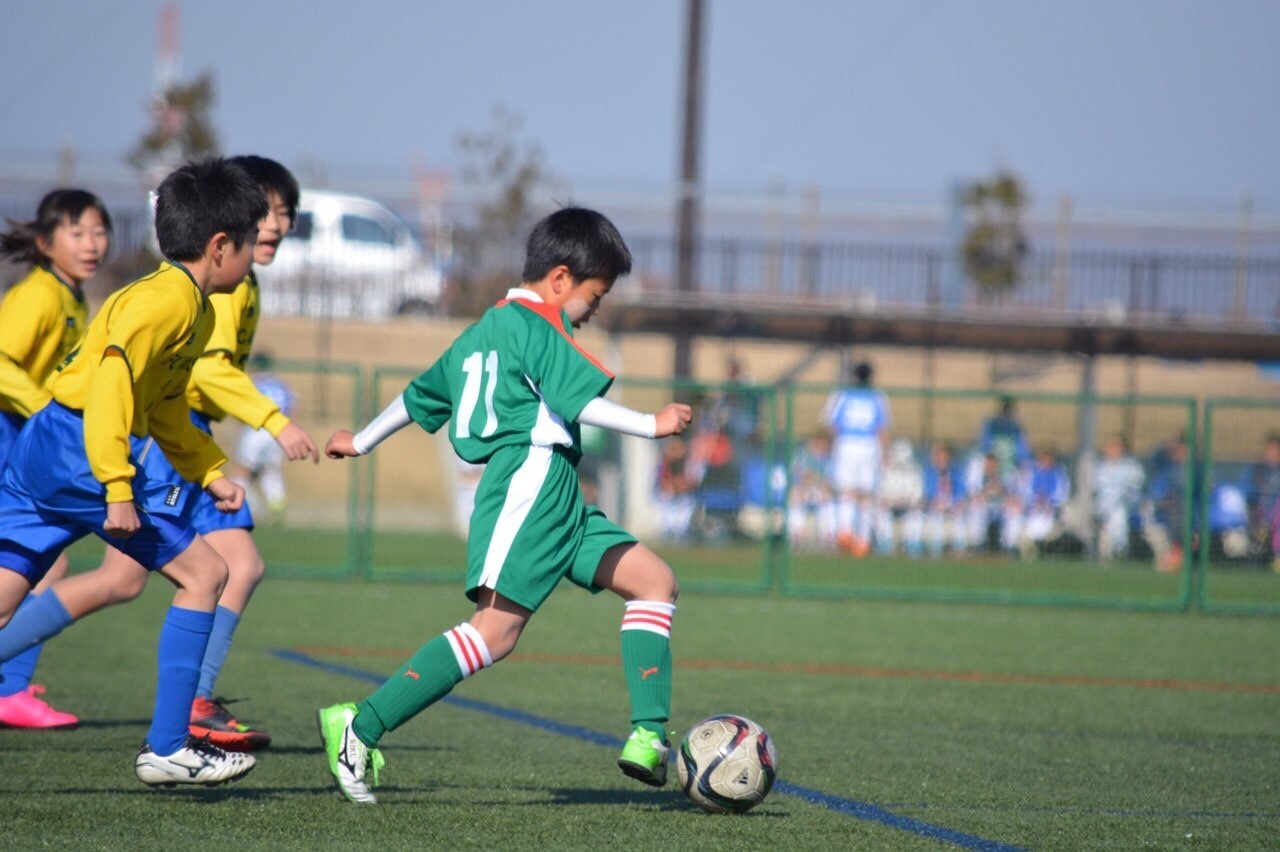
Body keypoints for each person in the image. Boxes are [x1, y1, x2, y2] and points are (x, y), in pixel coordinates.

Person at [316, 207, 693, 805]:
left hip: (560, 489)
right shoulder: (537, 327)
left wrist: (359, 440)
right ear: (562, 278)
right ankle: (358, 727)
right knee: (494, 634)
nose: (594, 311)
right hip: (530, 484)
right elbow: (581, 401)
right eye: (594, 297)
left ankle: (648, 736)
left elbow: (419, 398)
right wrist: (652, 424)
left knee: (654, 582)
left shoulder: (482, 332)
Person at [0, 157, 319, 752]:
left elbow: (167, 403)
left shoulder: (189, 301)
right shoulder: (167, 303)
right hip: (82, 452)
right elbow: (112, 392)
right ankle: (172, 746)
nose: (261, 248)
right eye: (253, 237)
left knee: (9, 596)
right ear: (222, 245)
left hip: (53, 444)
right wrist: (118, 488)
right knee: (210, 572)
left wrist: (209, 471)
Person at [0, 189, 111, 729]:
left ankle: (10, 687)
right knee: (44, 561)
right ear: (45, 243)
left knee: (44, 561)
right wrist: (48, 408)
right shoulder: (41, 295)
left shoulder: (70, 296)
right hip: (10, 436)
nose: (92, 244)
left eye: (99, 231)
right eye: (77, 232)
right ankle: (10, 689)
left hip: (22, 440)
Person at [823, 361, 890, 556]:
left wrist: (833, 446)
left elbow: (832, 424)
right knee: (866, 492)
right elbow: (882, 428)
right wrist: (885, 454)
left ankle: (845, 529)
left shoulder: (842, 393)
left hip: (846, 443)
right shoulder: (878, 396)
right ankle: (862, 539)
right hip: (869, 445)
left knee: (846, 489)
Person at [229, 352, 299, 522]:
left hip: (257, 430)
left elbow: (243, 408)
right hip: (278, 432)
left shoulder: (254, 384)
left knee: (242, 471)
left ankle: (251, 509)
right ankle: (277, 505)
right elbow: (293, 406)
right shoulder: (281, 385)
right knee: (270, 471)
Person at [1006, 445, 1070, 558]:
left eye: (1048, 458)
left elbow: (1062, 494)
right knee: (1013, 514)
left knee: (1043, 526)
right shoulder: (1030, 472)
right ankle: (1012, 549)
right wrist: (1035, 501)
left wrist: (1048, 503)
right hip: (1031, 509)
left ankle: (1039, 549)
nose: (1045, 461)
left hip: (1050, 510)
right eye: (1042, 457)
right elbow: (1024, 492)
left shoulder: (1059, 473)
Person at [1092, 435, 1145, 560]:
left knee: (1118, 512)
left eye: (1117, 446)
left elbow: (1135, 491)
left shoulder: (1132, 468)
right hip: (1102, 507)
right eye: (1111, 446)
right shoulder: (1100, 467)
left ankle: (1118, 548)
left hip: (1127, 506)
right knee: (1115, 512)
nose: (1113, 450)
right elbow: (1094, 490)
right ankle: (1119, 548)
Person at [876, 438, 924, 557]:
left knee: (916, 514)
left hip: (907, 505)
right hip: (891, 505)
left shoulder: (915, 471)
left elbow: (917, 494)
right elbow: (882, 493)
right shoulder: (886, 471)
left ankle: (913, 546)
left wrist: (908, 502)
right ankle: (885, 545)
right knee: (881, 513)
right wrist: (891, 501)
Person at [921, 441, 968, 557]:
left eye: (944, 456)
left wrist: (958, 503)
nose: (942, 459)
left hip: (952, 504)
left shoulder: (956, 472)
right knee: (936, 516)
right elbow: (926, 493)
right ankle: (936, 550)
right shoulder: (929, 473)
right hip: (934, 505)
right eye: (939, 456)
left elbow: (961, 492)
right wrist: (934, 502)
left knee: (959, 517)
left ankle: (959, 549)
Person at [979, 396, 1031, 483]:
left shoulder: (1015, 428)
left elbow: (1023, 451)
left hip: (1006, 464)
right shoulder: (1008, 474)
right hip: (1002, 460)